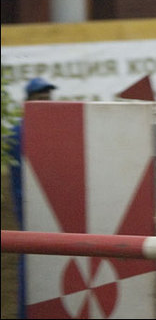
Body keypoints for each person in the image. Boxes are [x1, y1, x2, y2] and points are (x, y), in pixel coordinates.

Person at [9, 77, 57, 319]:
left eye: (48, 99)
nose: (45, 104)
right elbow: (20, 186)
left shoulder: (55, 129)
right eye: (40, 99)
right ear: (27, 102)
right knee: (32, 263)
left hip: (53, 208)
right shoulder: (19, 133)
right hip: (32, 209)